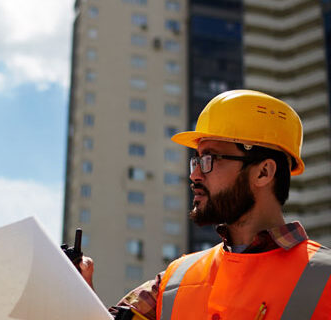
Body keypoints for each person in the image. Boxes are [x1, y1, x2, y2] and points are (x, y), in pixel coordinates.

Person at [103, 90, 331, 319]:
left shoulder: (325, 277)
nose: (194, 175)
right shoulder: (174, 280)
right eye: (196, 160)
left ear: (263, 172)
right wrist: (76, 285)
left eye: (210, 159)